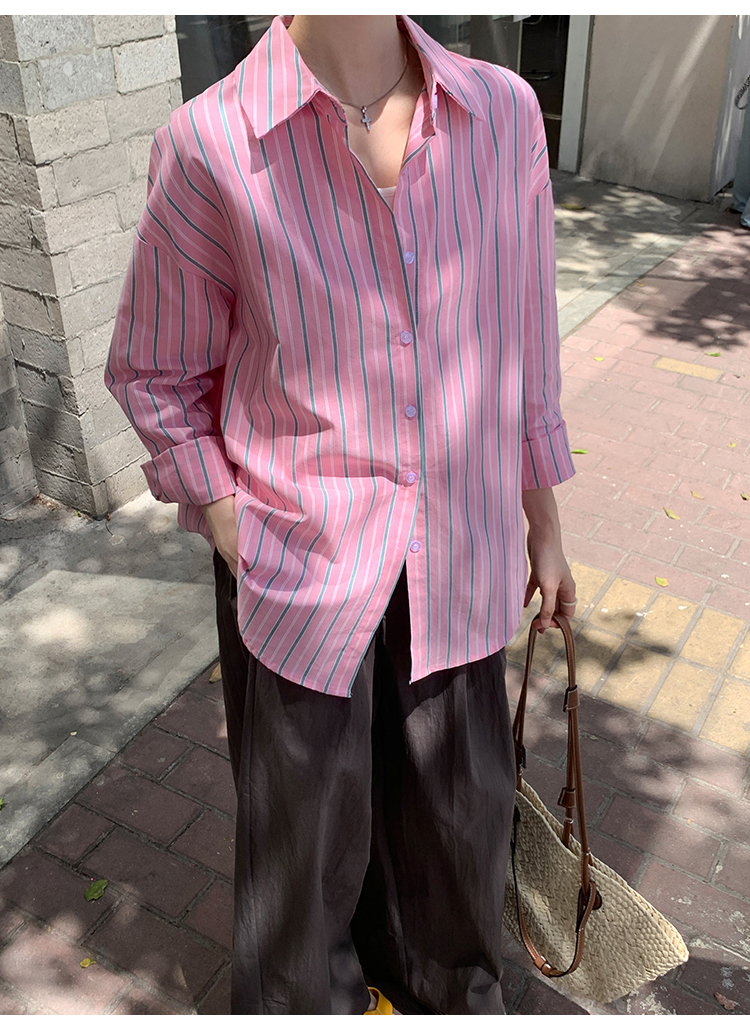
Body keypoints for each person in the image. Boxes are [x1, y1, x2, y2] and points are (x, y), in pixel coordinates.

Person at [106, 14, 577, 1016]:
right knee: (303, 862)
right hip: (301, 555)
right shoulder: (211, 141)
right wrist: (228, 519)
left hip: (463, 546)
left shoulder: (503, 114)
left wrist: (544, 518)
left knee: (459, 836)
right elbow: (156, 365)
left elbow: (525, 332)